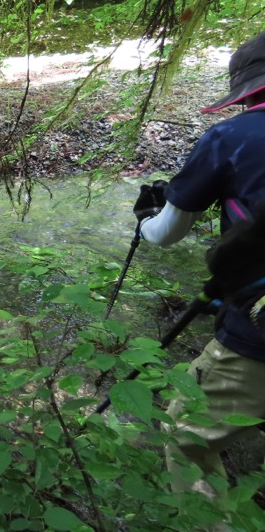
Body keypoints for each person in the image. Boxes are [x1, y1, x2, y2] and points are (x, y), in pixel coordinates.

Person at [133, 31, 265, 513]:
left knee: (187, 437)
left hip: (257, 328)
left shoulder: (231, 137)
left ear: (247, 91)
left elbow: (166, 233)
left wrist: (146, 217)